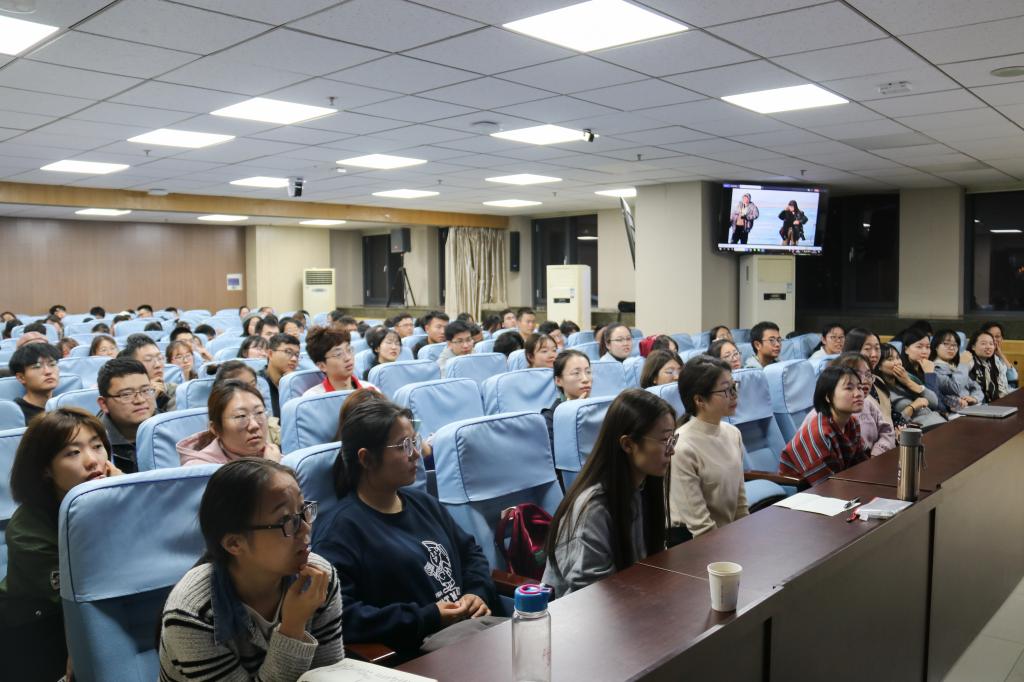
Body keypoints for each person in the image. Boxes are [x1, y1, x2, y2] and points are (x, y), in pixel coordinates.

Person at [312, 400, 498, 656]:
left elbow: (470, 554)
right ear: (366, 458)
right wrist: (427, 617)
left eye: (414, 442)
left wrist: (476, 593)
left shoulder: (423, 503)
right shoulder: (340, 531)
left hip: (472, 630)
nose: (416, 454)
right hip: (422, 651)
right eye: (403, 446)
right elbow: (344, 615)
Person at [159, 459, 344, 681]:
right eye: (286, 520)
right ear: (234, 543)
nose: (306, 528)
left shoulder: (319, 578)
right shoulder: (193, 614)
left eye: (303, 510)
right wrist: (293, 627)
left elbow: (331, 675)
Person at [0, 408, 122, 681]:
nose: (93, 461)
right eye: (73, 453)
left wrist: (125, 498)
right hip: (35, 626)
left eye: (97, 446)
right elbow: (82, 594)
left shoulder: (116, 496)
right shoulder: (27, 532)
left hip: (95, 615)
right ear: (45, 469)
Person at [543, 389, 674, 597]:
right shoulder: (594, 508)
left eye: (673, 439)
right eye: (665, 440)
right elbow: (591, 594)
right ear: (628, 444)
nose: (672, 450)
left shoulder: (643, 487)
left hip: (630, 601)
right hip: (587, 610)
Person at [669, 355, 747, 541]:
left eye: (734, 386)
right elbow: (700, 526)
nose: (734, 395)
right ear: (699, 400)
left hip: (727, 537)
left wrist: (746, 536)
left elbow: (740, 504)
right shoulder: (682, 447)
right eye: (726, 390)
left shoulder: (733, 433)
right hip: (692, 543)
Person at [779, 366, 869, 485]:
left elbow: (862, 464)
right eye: (849, 388)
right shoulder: (820, 432)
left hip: (840, 484)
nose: (858, 394)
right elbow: (826, 484)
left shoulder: (852, 423)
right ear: (828, 397)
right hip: (802, 490)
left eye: (859, 387)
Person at [802, 353, 895, 457]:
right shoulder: (819, 424)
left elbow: (886, 433)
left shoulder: (856, 417)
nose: (864, 380)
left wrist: (876, 454)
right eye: (849, 387)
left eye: (868, 375)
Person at [177, 381, 281, 466]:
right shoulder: (200, 471)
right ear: (215, 429)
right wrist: (271, 468)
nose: (254, 425)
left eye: (259, 413)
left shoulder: (274, 455)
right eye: (241, 416)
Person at [96, 358, 157, 473]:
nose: (140, 400)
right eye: (126, 394)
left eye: (145, 390)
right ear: (104, 404)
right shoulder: (95, 444)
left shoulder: (168, 428)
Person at [874, 343, 944, 428]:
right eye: (890, 359)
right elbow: (892, 424)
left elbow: (934, 403)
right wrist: (913, 407)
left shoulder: (907, 378)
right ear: (878, 365)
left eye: (898, 358)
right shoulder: (879, 391)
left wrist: (908, 382)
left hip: (939, 421)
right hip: (921, 429)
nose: (897, 363)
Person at [842, 328, 895, 428]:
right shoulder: (845, 385)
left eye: (877, 348)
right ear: (853, 350)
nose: (874, 354)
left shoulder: (878, 380)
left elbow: (892, 414)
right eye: (867, 349)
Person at [304, 327, 374, 395]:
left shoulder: (370, 390)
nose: (348, 358)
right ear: (322, 366)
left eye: (349, 350)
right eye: (338, 354)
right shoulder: (313, 398)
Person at [120, 333, 177, 412]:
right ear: (132, 365)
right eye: (148, 360)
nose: (158, 365)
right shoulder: (122, 397)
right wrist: (150, 396)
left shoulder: (175, 391)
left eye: (160, 358)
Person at [930, 329, 984, 412]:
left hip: (971, 408)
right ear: (936, 346)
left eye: (955, 345)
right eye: (946, 344)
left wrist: (974, 398)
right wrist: (963, 365)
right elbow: (954, 388)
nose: (951, 348)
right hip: (953, 412)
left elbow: (976, 387)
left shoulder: (954, 366)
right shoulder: (933, 368)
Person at [7, 342, 61, 423]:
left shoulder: (65, 404)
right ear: (21, 377)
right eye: (37, 367)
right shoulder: (15, 414)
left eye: (52, 364)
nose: (48, 371)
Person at [261, 333, 300, 416]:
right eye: (288, 352)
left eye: (297, 355)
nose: (294, 359)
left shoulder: (297, 383)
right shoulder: (258, 382)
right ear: (270, 354)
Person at [960, 329, 1003, 403]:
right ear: (973, 347)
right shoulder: (968, 360)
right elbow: (959, 382)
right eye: (983, 344)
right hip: (972, 402)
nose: (988, 347)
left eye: (991, 344)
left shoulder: (991, 363)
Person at [980, 321, 1015, 394]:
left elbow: (1013, 377)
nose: (994, 339)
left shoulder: (997, 357)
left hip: (1007, 392)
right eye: (990, 336)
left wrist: (1001, 355)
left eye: (997, 336)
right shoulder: (982, 358)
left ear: (1002, 339)